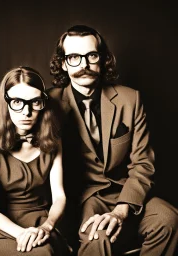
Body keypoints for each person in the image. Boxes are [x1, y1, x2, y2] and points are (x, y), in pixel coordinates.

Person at [48, 24, 178, 256]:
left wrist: (122, 209)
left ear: (103, 58)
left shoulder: (130, 99)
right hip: (83, 198)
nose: (84, 65)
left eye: (92, 56)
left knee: (169, 219)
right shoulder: (48, 104)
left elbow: (143, 164)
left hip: (128, 192)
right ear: (64, 63)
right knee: (97, 236)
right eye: (74, 58)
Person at [0, 66, 71, 255]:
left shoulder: (54, 140)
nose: (26, 111)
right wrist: (22, 234)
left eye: (35, 102)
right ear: (5, 103)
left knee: (44, 252)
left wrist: (47, 227)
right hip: (0, 227)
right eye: (17, 102)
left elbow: (59, 196)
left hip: (40, 224)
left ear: (44, 103)